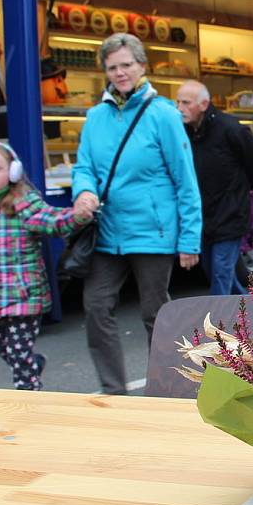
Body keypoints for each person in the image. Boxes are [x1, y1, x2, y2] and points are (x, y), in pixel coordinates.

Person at [72, 33, 203, 395]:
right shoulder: (95, 117)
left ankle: (166, 388)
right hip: (108, 232)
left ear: (141, 66)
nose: (120, 73)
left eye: (126, 64)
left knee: (155, 314)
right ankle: (114, 390)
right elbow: (84, 166)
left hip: (153, 232)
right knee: (96, 306)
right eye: (112, 67)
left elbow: (185, 180)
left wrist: (189, 239)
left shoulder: (162, 114)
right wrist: (83, 190)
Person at [0, 142, 91, 391]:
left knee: (18, 351)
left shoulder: (23, 202)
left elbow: (52, 221)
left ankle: (29, 392)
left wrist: (77, 216)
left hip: (25, 293)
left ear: (14, 171)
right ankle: (33, 365)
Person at [176, 80, 253, 295]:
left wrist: (241, 191)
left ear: (204, 104)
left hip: (230, 213)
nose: (180, 108)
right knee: (213, 270)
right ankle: (250, 311)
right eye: (177, 102)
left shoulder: (230, 129)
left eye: (186, 103)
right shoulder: (183, 132)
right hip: (203, 216)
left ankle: (218, 324)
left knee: (220, 273)